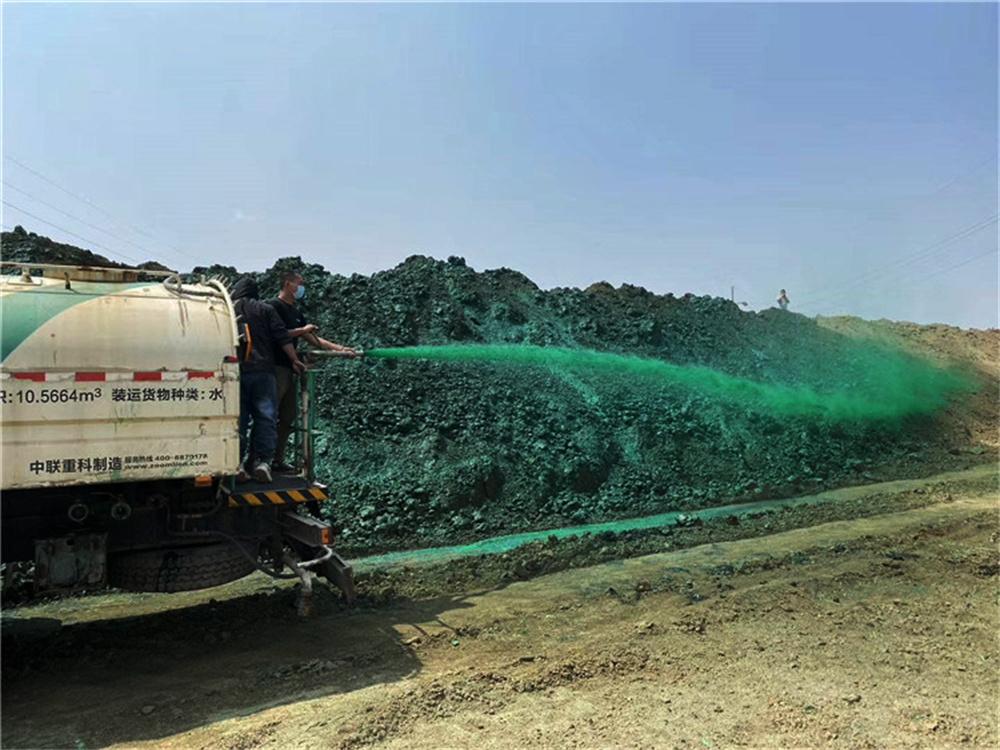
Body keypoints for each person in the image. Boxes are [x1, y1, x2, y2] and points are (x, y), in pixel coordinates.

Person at [267, 271, 358, 473]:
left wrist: (341, 349)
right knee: (268, 416)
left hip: (290, 370)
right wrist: (302, 330)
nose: (302, 288)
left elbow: (314, 339)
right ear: (289, 284)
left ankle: (277, 458)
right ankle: (258, 461)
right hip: (274, 369)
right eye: (300, 284)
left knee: (288, 416)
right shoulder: (273, 308)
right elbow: (276, 335)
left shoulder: (296, 313)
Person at [230, 276, 306, 483]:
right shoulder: (266, 309)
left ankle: (235, 464)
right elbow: (282, 337)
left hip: (235, 374)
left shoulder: (227, 309)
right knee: (266, 418)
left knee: (239, 420)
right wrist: (295, 360)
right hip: (263, 371)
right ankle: (263, 462)